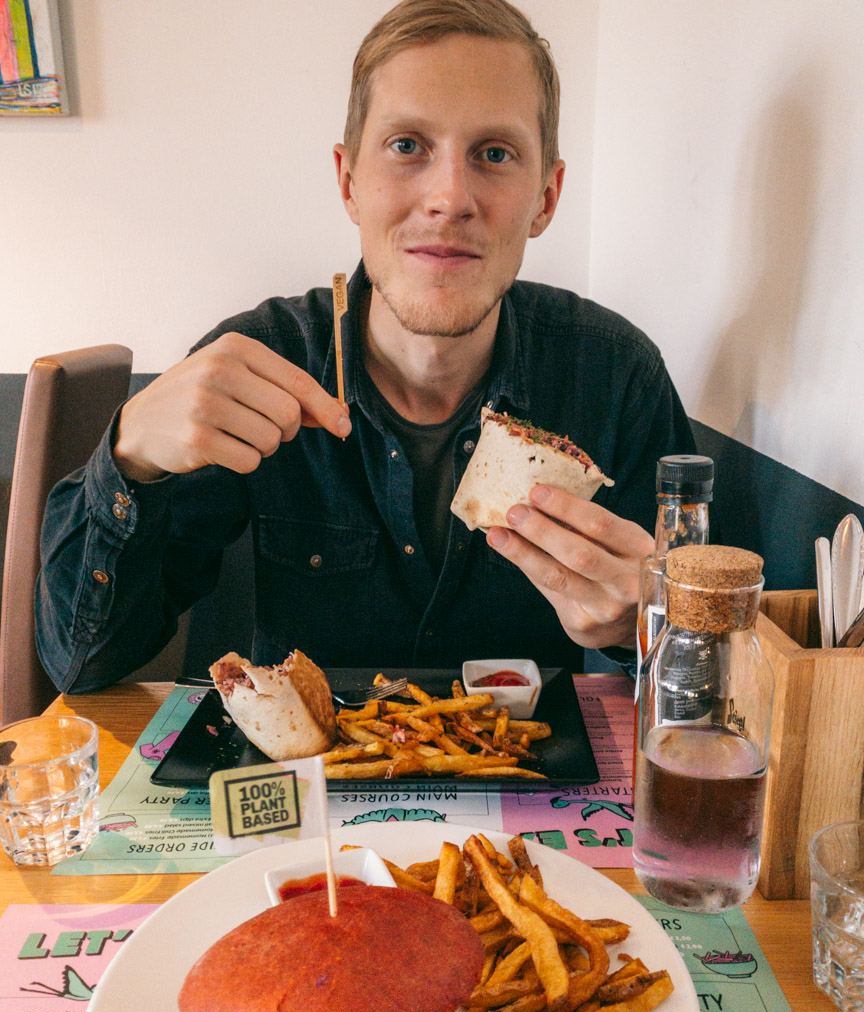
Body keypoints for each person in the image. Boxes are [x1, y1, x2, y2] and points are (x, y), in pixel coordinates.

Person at [36, 0, 695, 693]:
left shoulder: (615, 375)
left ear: (546, 197)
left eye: (494, 154)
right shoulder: (257, 365)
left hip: (530, 783)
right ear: (349, 181)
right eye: (407, 146)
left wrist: (645, 629)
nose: (448, 197)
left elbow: (712, 674)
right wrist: (130, 457)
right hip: (306, 786)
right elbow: (82, 663)